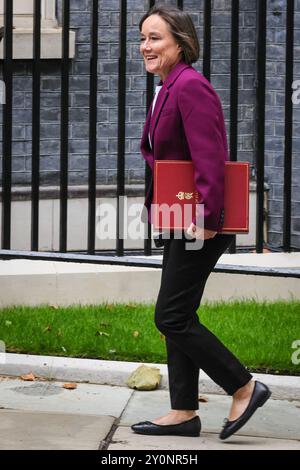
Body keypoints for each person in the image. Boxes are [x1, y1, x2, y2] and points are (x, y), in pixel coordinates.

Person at [131, 5, 271, 441]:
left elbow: (210, 155)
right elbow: (162, 152)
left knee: (170, 316)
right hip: (180, 213)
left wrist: (209, 218)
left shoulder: (190, 86)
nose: (145, 47)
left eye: (155, 38)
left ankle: (244, 386)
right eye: (143, 38)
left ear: (181, 41)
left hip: (200, 220)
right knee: (180, 312)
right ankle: (183, 410)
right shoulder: (167, 87)